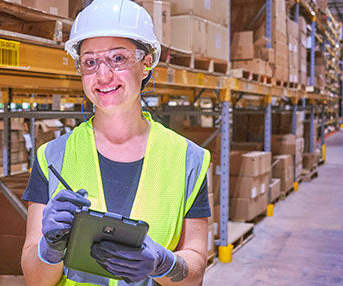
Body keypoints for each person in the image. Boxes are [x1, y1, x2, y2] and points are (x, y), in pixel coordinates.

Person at [21, 0, 211, 285]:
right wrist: (49, 249)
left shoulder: (187, 158)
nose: (103, 75)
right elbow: (36, 280)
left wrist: (163, 263)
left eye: (118, 58)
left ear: (146, 63)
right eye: (90, 61)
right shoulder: (52, 157)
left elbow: (194, 273)